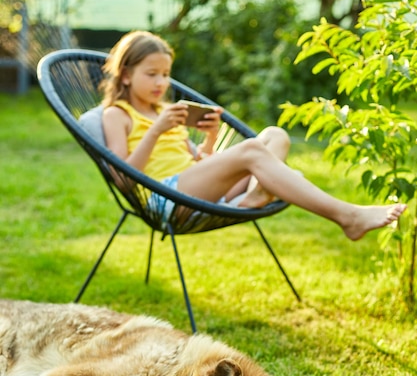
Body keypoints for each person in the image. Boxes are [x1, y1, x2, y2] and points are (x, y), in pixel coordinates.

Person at [101, 30, 406, 241]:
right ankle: (348, 216)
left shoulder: (167, 112)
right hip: (165, 199)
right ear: (126, 74)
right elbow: (122, 176)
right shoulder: (118, 114)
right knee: (251, 150)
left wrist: (208, 138)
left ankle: (258, 193)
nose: (161, 82)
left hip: (194, 188)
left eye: (166, 74)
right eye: (151, 74)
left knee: (276, 136)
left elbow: (198, 163)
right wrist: (156, 130)